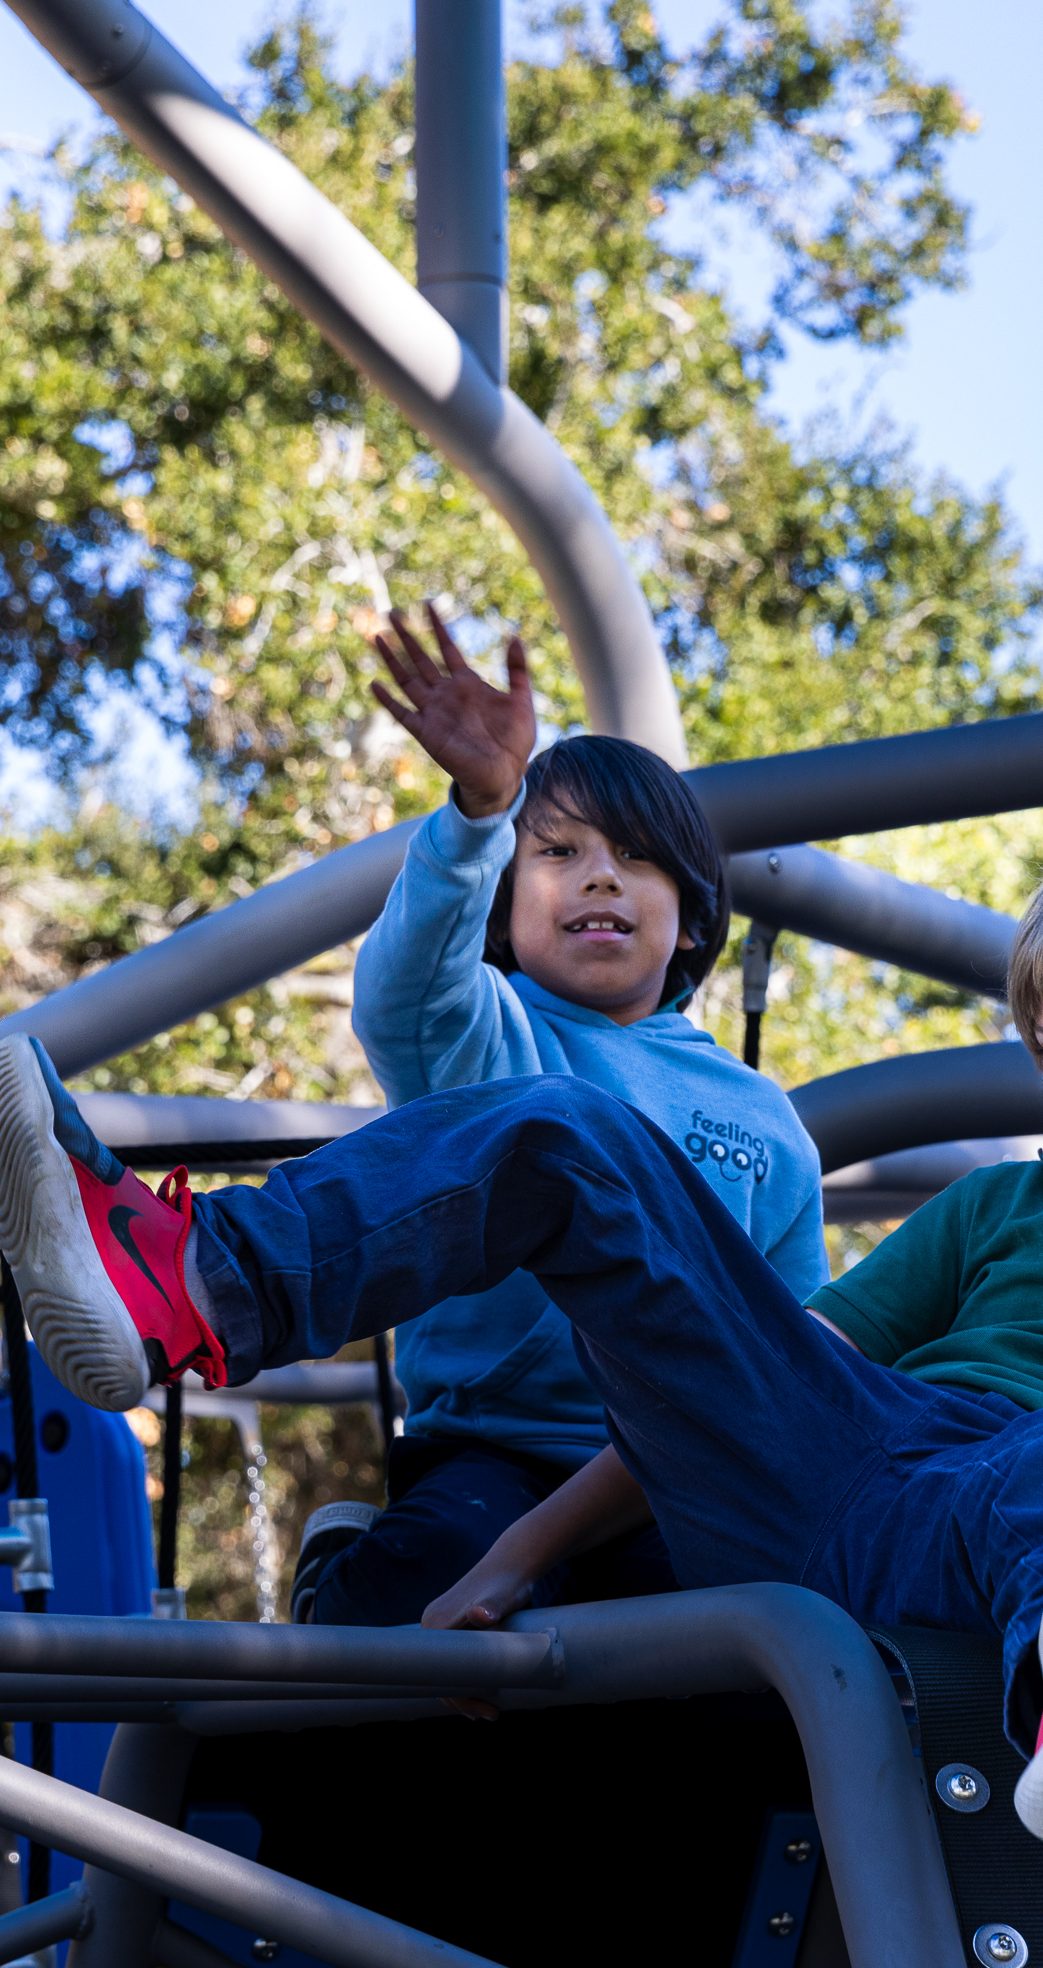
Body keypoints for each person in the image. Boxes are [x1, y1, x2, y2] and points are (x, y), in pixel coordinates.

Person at [0, 827, 1043, 1852]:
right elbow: (759, 1374)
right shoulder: (1003, 1215)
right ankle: (187, 1287)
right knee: (565, 1134)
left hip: (988, 1544)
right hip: (827, 1459)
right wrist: (515, 1560)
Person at [276, 605, 822, 1628]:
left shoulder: (760, 1119)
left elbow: (791, 1334)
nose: (598, 874)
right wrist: (482, 810)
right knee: (438, 1565)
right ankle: (344, 1586)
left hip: (670, 1471)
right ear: (503, 904)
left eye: (635, 858)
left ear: (695, 914)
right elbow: (404, 992)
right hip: (496, 1445)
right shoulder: (484, 1037)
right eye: (558, 852)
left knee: (756, 1621)